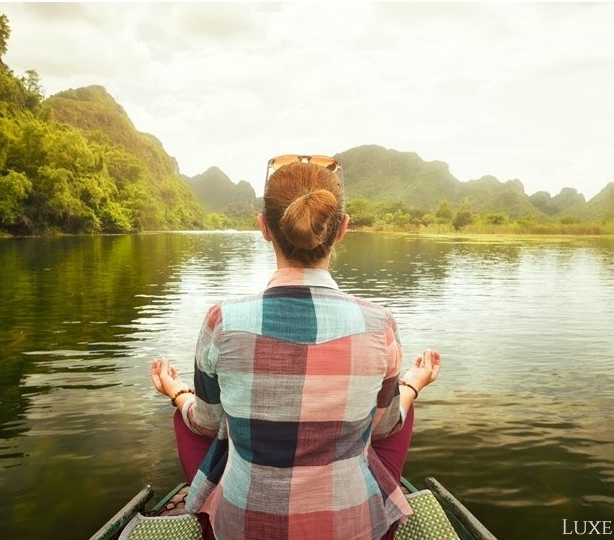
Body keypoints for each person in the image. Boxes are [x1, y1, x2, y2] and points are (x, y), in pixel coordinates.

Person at [150, 154, 442, 540]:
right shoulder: (379, 324)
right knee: (395, 413)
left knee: (196, 421)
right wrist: (414, 384)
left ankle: (205, 510)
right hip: (352, 527)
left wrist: (176, 391)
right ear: (342, 230)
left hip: (244, 526)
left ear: (264, 228)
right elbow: (385, 426)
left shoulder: (222, 321)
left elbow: (206, 422)